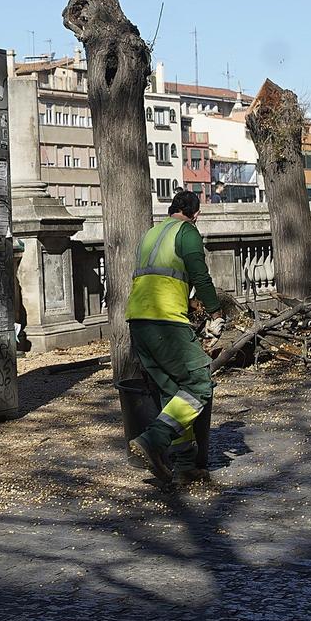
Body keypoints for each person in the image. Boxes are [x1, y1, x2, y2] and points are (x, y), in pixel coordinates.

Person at [125, 189, 221, 486]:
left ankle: (184, 465)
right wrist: (216, 312)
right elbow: (199, 275)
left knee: (172, 393)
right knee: (200, 382)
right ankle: (154, 440)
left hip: (138, 320)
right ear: (196, 214)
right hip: (166, 322)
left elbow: (158, 277)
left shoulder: (151, 234)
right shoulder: (188, 232)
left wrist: (189, 302)